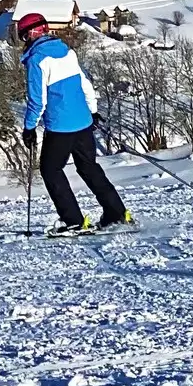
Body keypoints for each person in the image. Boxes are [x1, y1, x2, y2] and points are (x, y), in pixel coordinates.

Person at [19, 13, 131, 236]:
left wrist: (29, 128)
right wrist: (93, 111)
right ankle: (117, 213)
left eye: (23, 36)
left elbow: (38, 101)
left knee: (51, 170)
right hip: (83, 121)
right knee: (89, 167)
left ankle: (74, 221)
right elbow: (85, 83)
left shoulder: (37, 60)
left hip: (61, 126)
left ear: (30, 34)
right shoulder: (68, 52)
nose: (23, 41)